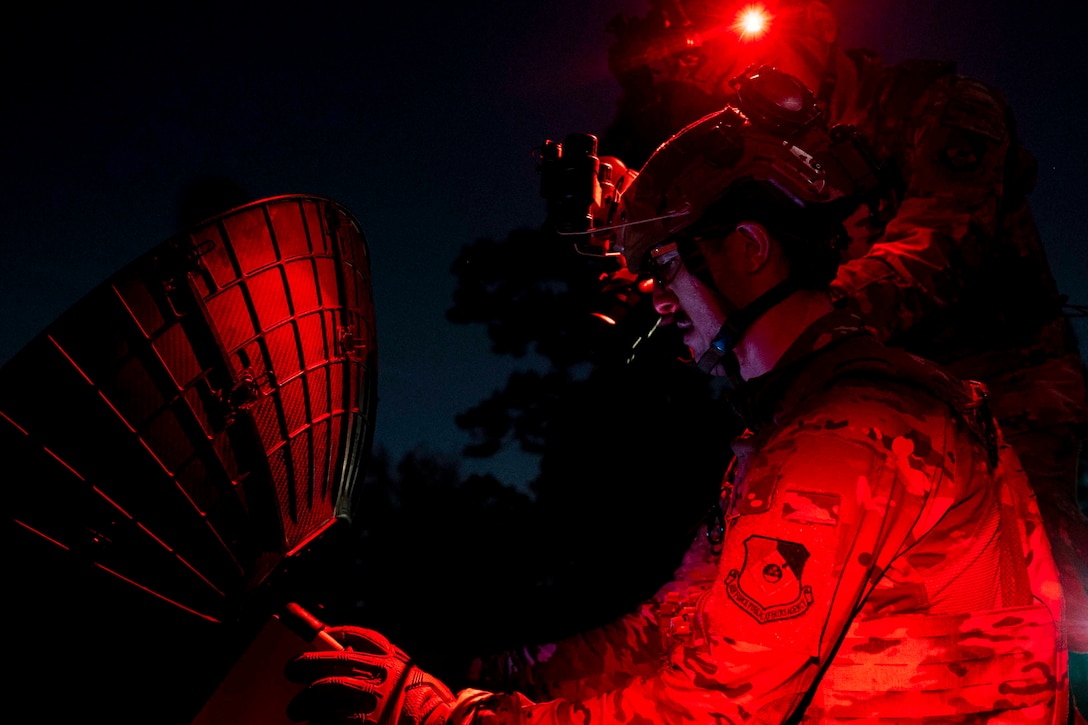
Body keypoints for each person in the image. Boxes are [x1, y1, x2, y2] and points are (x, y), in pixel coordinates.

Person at [283, 87, 1068, 723]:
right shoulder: (798, 423)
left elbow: (709, 709)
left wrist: (445, 718)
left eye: (664, 263)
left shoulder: (843, 438)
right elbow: (676, 625)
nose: (651, 299)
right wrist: (485, 668)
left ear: (750, 250)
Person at [600, 1, 1088, 714]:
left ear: (822, 29)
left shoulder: (943, 107)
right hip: (860, 389)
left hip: (1005, 382)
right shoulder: (785, 155)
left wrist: (785, 303)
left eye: (756, 43)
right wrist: (676, 260)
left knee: (1032, 612)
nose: (741, 73)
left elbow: (938, 246)